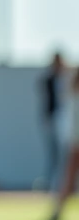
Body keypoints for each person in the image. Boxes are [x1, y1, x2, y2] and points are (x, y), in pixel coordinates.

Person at [48, 67, 79, 220]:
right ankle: (57, 211)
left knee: (68, 179)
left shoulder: (72, 98)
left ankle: (57, 212)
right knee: (68, 179)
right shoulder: (72, 98)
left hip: (74, 144)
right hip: (75, 144)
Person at [36, 51, 68, 192]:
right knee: (53, 153)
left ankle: (66, 184)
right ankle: (50, 183)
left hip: (67, 121)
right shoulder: (48, 79)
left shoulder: (68, 79)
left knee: (67, 154)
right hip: (53, 120)